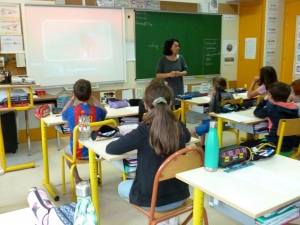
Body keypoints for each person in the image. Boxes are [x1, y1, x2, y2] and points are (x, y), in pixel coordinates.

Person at [106, 79, 191, 225]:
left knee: (122, 186)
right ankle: (170, 220)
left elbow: (111, 149)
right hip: (180, 196)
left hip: (152, 201)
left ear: (145, 105)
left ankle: (162, 221)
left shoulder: (143, 130)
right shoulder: (179, 126)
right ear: (170, 103)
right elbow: (188, 137)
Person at [62, 79, 107, 183]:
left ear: (75, 95)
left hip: (77, 153)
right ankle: (94, 177)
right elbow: (105, 111)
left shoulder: (71, 110)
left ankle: (77, 179)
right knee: (91, 142)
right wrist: (94, 99)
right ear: (91, 93)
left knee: (66, 150)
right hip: (96, 152)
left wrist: (72, 99)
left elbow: (63, 113)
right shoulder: (98, 111)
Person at [241, 82, 299, 155]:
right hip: (289, 148)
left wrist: (264, 100)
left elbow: (257, 112)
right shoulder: (295, 109)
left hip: (273, 147)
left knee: (242, 146)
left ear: (270, 96)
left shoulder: (272, 108)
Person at [189, 76, 233, 149]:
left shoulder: (217, 98)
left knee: (190, 131)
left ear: (215, 87)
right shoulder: (229, 95)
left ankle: (201, 151)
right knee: (201, 122)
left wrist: (211, 98)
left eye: (212, 85)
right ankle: (202, 145)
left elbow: (211, 112)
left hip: (216, 124)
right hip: (227, 123)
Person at [156, 38, 188, 109]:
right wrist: (169, 74)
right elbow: (158, 75)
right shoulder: (162, 60)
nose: (178, 48)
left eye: (178, 46)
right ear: (170, 47)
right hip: (167, 90)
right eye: (176, 46)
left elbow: (186, 71)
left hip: (179, 90)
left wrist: (179, 73)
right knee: (168, 111)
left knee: (180, 111)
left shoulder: (181, 58)